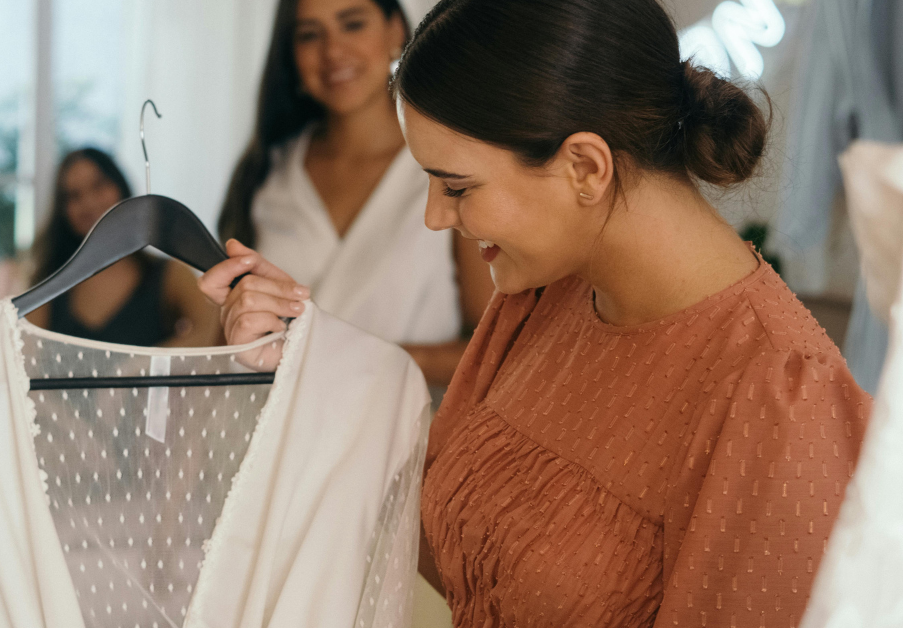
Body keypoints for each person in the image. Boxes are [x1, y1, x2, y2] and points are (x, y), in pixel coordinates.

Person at [198, 0, 873, 626]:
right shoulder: (541, 294)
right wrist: (302, 344)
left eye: (456, 186)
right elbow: (449, 546)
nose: (435, 217)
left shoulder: (784, 399)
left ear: (585, 167)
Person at [218, 0, 494, 387]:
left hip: (412, 423)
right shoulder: (264, 174)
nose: (333, 51)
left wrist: (338, 358)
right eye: (309, 35)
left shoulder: (453, 169)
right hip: (273, 421)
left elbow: (494, 351)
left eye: (353, 24)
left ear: (395, 30)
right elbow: (228, 334)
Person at [26, 148, 220, 347]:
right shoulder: (48, 286)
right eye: (74, 196)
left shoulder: (168, 273)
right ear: (63, 211)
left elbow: (212, 333)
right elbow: (25, 354)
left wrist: (148, 360)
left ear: (119, 185)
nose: (89, 202)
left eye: (98, 185)